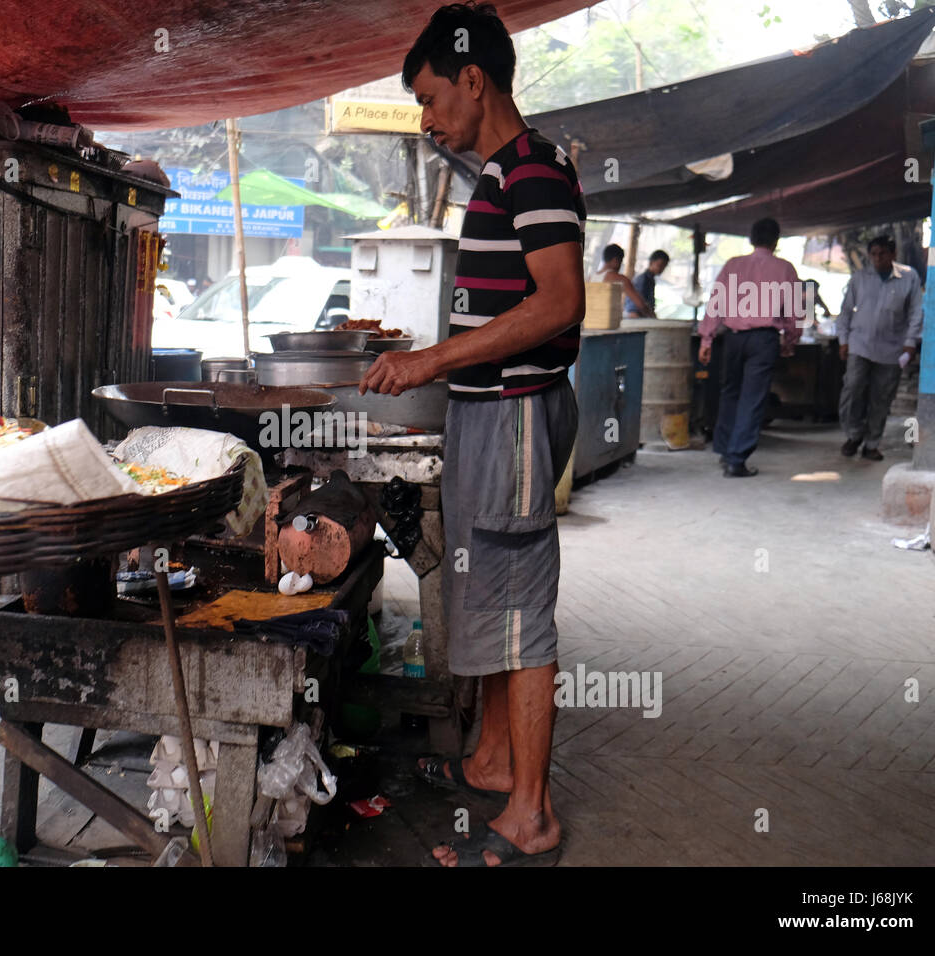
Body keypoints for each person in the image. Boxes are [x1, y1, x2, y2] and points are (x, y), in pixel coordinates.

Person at [359, 1, 582, 867]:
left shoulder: (532, 171)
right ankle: (492, 760)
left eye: (429, 98)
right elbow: (510, 296)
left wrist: (431, 362)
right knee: (489, 583)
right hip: (492, 415)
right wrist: (442, 362)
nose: (425, 118)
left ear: (474, 81)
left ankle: (532, 813)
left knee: (521, 608)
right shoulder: (500, 173)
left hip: (517, 415)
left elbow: (559, 303)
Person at [697, 217, 801, 476]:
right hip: (764, 340)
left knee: (730, 392)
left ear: (751, 239)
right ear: (776, 241)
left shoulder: (733, 265)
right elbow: (795, 311)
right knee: (752, 398)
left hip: (732, 338)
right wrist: (791, 340)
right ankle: (736, 459)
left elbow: (716, 301)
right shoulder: (786, 268)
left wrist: (706, 338)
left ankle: (724, 449)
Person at [835, 235, 923, 461]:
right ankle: (854, 434)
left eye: (882, 253)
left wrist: (910, 342)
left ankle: (872, 443)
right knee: (852, 389)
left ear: (893, 255)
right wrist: (843, 340)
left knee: (881, 397)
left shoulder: (908, 277)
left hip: (892, 348)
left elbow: (915, 313)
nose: (877, 258)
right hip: (860, 344)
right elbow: (845, 312)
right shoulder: (860, 278)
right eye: (873, 254)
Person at [599, 244, 655, 318]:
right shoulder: (620, 279)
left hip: (589, 324)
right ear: (615, 260)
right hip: (608, 324)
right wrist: (653, 317)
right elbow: (640, 304)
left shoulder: (590, 278)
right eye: (621, 262)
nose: (620, 266)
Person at [625, 249, 668, 317]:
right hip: (636, 317)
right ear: (651, 263)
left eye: (664, 266)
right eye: (659, 265)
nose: (661, 269)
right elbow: (636, 305)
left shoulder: (651, 280)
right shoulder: (642, 279)